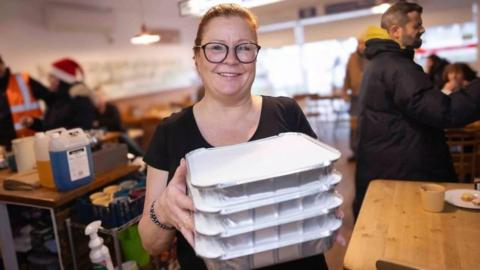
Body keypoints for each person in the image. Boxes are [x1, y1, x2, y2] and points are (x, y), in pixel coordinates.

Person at [139, 4, 337, 269]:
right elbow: (151, 244)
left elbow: (321, 194)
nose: (231, 59)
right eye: (217, 47)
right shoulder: (170, 133)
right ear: (197, 57)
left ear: (255, 56)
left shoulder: (287, 113)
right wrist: (163, 210)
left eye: (244, 47)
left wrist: (324, 206)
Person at [354, 1, 480, 218]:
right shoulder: (397, 67)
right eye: (416, 25)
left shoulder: (380, 63)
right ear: (396, 31)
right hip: (404, 172)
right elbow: (444, 112)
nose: (422, 29)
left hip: (389, 168)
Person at [25, 58, 97, 131]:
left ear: (59, 80)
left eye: (51, 77)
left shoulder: (79, 99)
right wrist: (33, 123)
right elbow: (51, 127)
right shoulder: (57, 100)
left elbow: (82, 129)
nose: (49, 80)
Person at [0, 55, 51, 150]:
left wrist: (48, 123)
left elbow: (51, 99)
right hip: (6, 146)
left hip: (32, 140)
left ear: (2, 63)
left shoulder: (23, 80)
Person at [342, 31, 367, 162]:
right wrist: (345, 91)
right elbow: (346, 76)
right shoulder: (351, 57)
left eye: (363, 43)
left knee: (367, 125)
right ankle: (355, 151)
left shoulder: (371, 57)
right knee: (354, 126)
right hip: (355, 98)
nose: (361, 45)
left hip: (369, 98)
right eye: (359, 43)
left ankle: (366, 152)